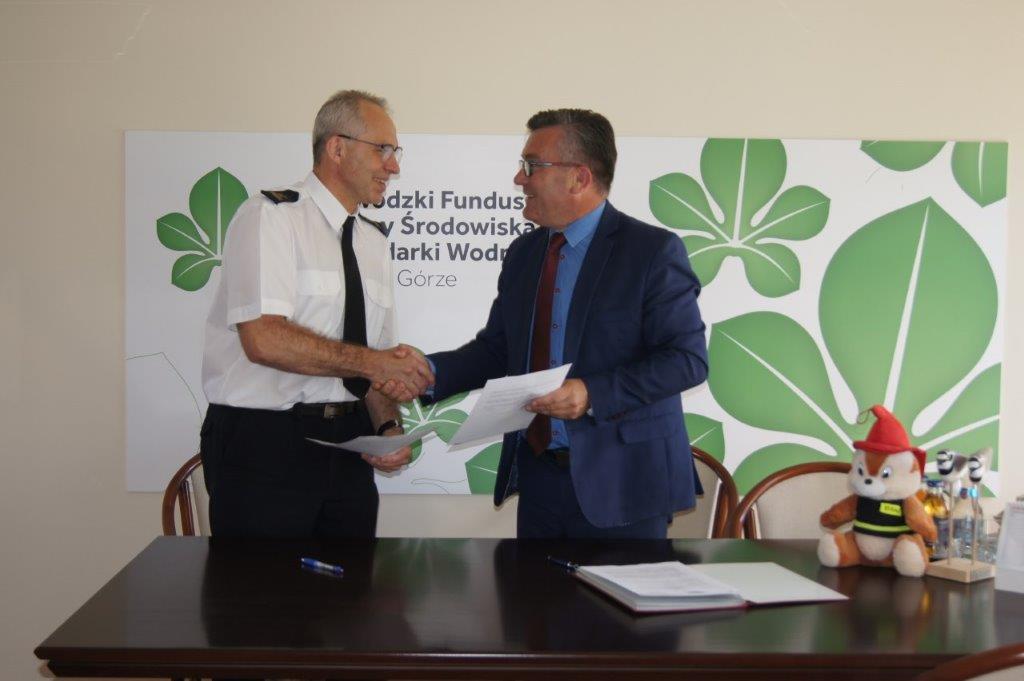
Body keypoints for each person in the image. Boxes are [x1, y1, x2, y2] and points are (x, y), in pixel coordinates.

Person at [395, 109, 708, 538]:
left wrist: (590, 393)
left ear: (579, 177)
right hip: (540, 478)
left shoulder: (651, 251)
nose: (519, 179)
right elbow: (500, 349)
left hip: (626, 484)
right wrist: (429, 371)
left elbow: (687, 361)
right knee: (532, 586)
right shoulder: (524, 253)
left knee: (617, 589)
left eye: (531, 166)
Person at [199, 90, 433, 539]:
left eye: (395, 153)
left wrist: (387, 427)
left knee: (353, 583)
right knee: (261, 586)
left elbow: (374, 361)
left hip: (349, 446)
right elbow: (264, 339)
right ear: (337, 147)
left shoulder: (373, 242)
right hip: (265, 445)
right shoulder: (271, 218)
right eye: (382, 150)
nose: (394, 167)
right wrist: (374, 363)